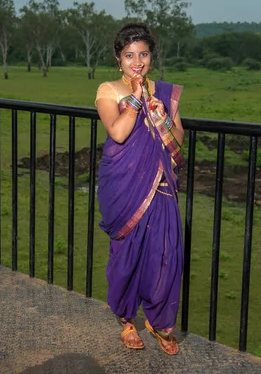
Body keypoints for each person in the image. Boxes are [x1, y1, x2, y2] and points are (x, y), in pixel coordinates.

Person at [95, 23, 185, 355]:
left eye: (143, 54)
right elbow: (118, 133)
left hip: (160, 186)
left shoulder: (163, 92)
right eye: (129, 55)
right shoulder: (108, 90)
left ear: (151, 57)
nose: (137, 62)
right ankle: (126, 320)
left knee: (166, 256)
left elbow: (178, 142)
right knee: (126, 258)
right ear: (119, 59)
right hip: (123, 187)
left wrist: (161, 115)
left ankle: (159, 323)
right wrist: (136, 97)